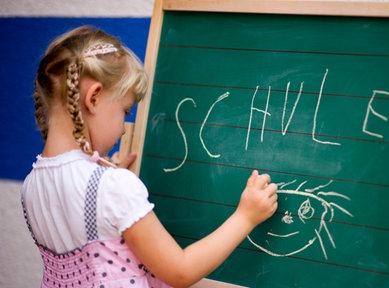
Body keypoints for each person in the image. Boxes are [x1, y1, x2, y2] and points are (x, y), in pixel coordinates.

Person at [21, 25, 278, 288]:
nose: (123, 128)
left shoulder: (31, 185)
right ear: (94, 98)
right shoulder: (112, 187)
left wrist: (103, 176)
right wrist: (246, 217)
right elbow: (180, 271)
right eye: (126, 111)